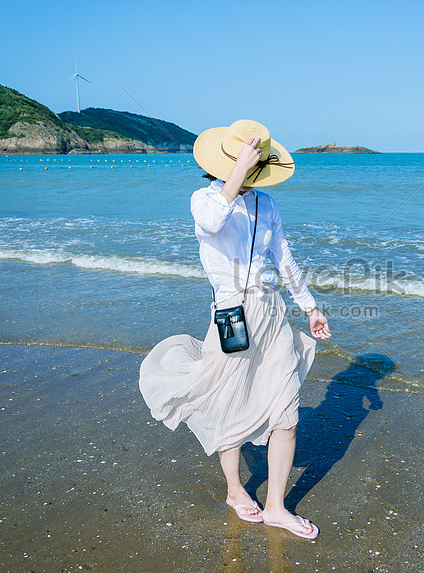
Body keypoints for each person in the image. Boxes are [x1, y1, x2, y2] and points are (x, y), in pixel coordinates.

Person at [139, 120, 330, 540]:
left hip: (272, 313)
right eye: (246, 161)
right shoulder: (205, 199)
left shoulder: (267, 206)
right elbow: (210, 224)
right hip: (231, 316)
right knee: (230, 401)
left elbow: (285, 261)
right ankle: (234, 489)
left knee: (287, 410)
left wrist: (311, 307)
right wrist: (238, 173)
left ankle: (278, 506)